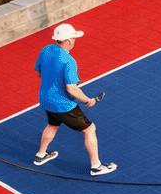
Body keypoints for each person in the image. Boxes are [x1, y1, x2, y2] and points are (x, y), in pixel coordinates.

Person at [33, 22, 116, 176]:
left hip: (46, 99)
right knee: (89, 129)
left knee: (53, 124)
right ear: (68, 40)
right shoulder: (69, 61)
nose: (75, 40)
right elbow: (72, 89)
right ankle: (96, 166)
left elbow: (40, 71)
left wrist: (55, 83)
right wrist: (87, 100)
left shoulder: (46, 50)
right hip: (63, 105)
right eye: (74, 38)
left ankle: (41, 154)